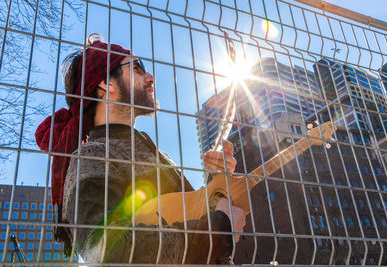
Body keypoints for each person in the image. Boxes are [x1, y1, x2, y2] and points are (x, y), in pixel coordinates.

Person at [35, 33, 245, 265]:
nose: (150, 77)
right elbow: (101, 250)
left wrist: (217, 181)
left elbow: (191, 217)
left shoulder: (154, 152)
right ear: (107, 83)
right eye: (136, 68)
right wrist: (218, 229)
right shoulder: (91, 156)